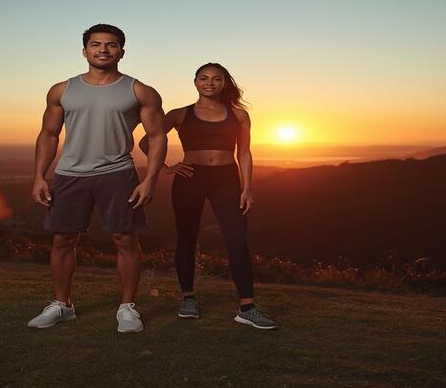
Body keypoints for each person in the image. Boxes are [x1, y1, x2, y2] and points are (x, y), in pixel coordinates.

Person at [29, 24, 167, 333]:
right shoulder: (61, 90)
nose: (103, 49)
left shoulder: (139, 91)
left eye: (111, 45)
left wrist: (150, 179)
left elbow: (158, 137)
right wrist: (38, 176)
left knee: (125, 239)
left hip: (117, 174)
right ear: (85, 51)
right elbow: (48, 134)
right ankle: (62, 305)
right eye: (96, 44)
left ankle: (127, 308)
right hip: (70, 175)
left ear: (121, 51)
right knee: (63, 239)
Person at [140, 62, 278, 330]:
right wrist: (166, 168)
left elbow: (244, 153)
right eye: (203, 78)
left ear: (224, 83)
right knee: (187, 238)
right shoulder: (179, 114)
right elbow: (147, 141)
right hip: (190, 178)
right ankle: (188, 299)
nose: (210, 83)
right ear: (195, 82)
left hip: (226, 179)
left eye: (216, 79)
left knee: (237, 238)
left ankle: (247, 308)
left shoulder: (239, 115)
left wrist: (247, 187)